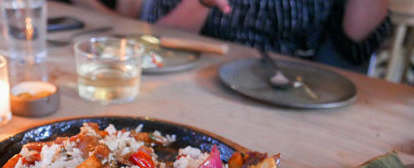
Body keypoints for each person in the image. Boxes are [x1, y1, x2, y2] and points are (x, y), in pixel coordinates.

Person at [141, 0, 391, 67]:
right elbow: (158, 42)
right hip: (201, 79)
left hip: (297, 88)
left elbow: (353, 45)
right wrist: (201, 3)